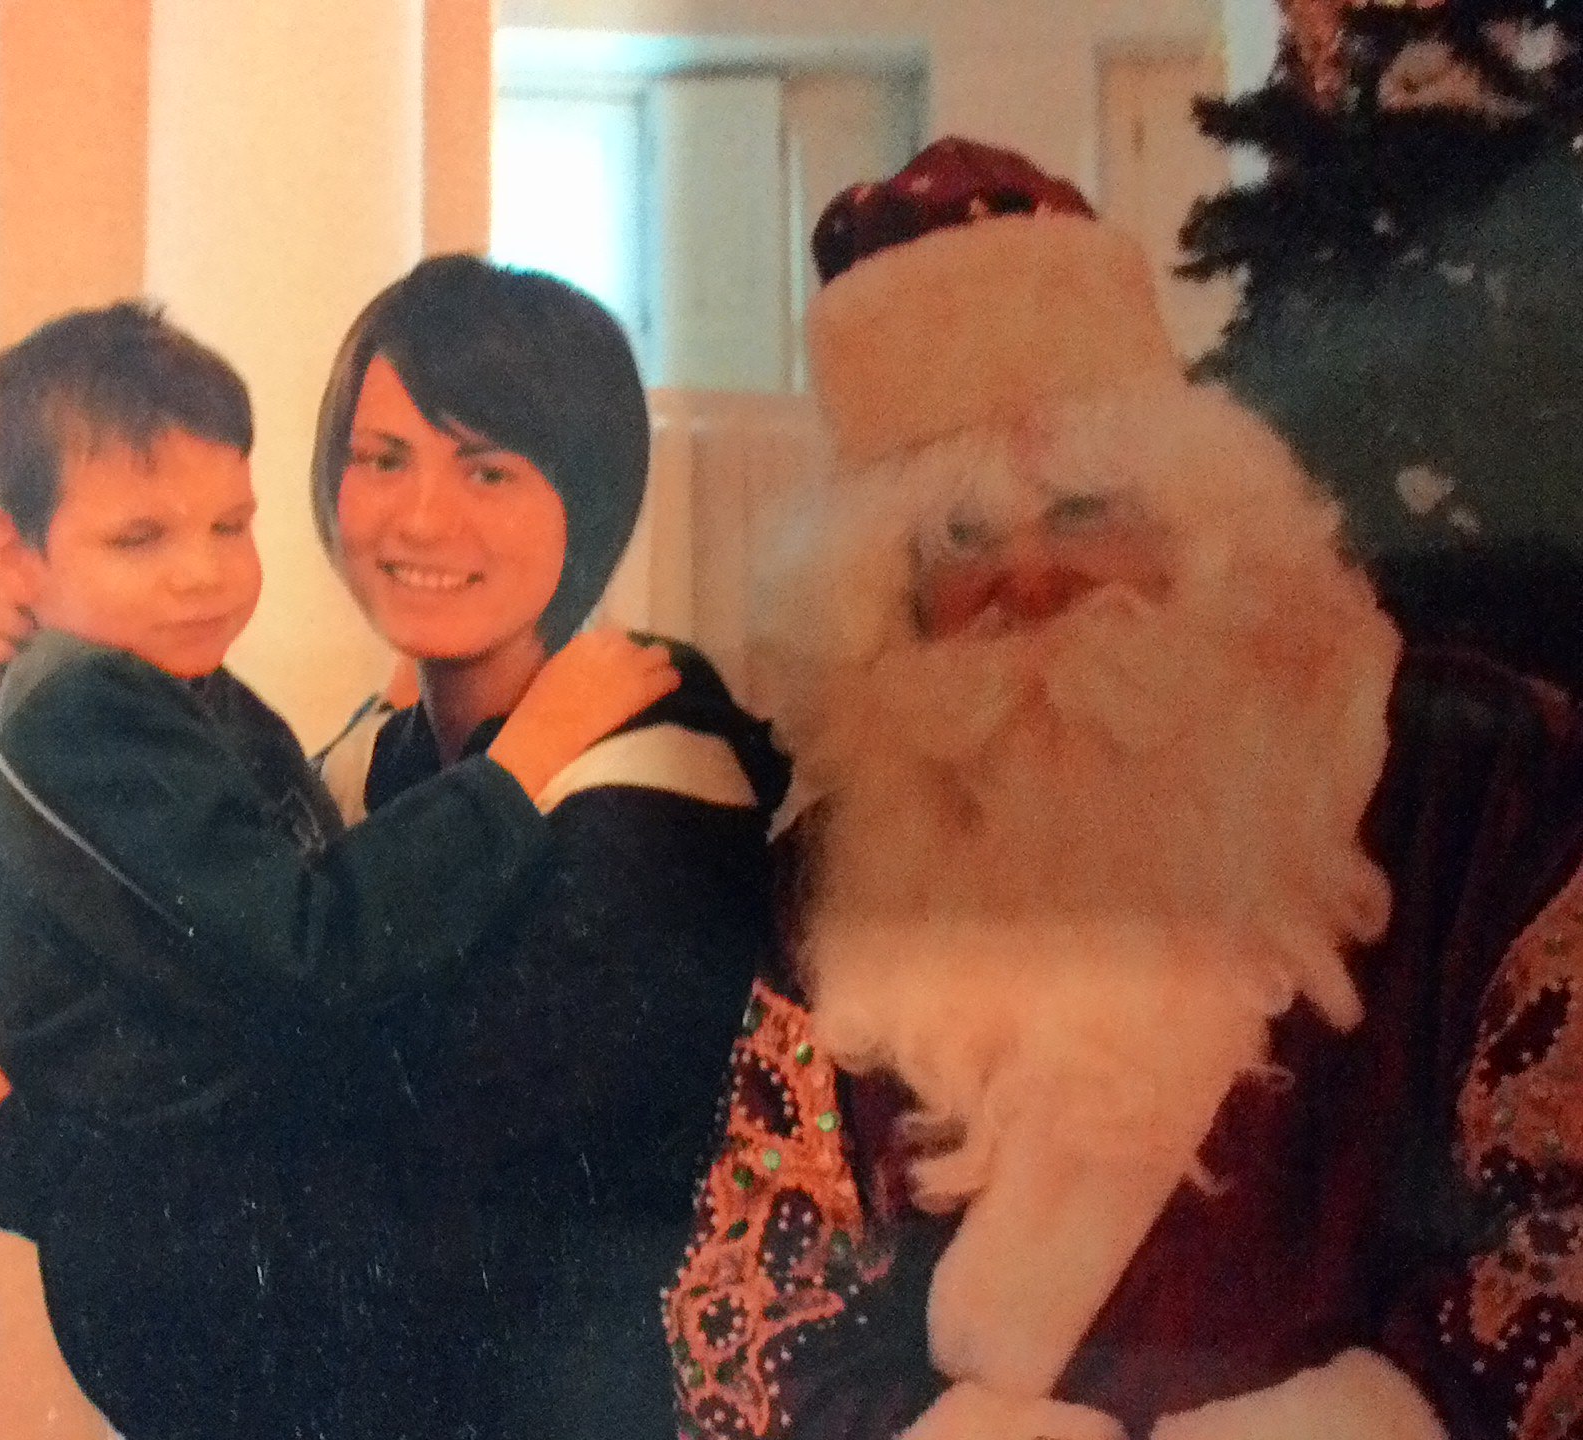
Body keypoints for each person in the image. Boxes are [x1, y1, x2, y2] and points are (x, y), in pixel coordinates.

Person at [666, 137, 1583, 1440]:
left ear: (1198, 523)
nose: (1033, 583)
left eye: (1084, 509)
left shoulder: (1471, 780)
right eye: (961, 537)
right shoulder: (833, 873)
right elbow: (751, 1319)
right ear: (886, 595)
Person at [0, 259, 787, 1437]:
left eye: (489, 469)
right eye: (382, 459)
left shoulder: (652, 809)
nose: (421, 518)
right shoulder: (381, 756)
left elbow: (430, 1252)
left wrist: (11, 1134)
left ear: (589, 493)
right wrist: (68, 666)